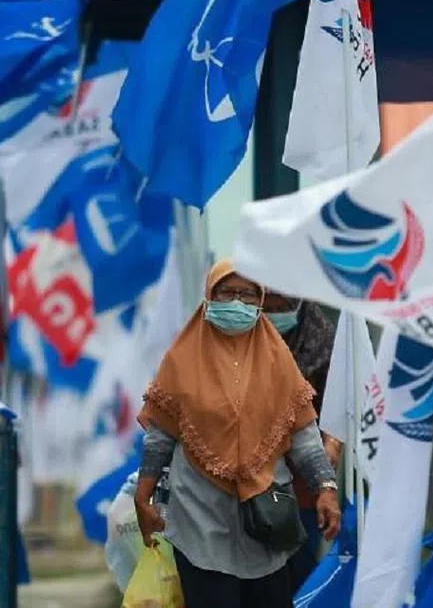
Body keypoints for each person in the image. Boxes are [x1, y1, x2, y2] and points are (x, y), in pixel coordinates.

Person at [133, 261, 341, 608]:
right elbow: (160, 436)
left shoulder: (279, 361)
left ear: (259, 301)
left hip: (265, 520)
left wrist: (326, 489)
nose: (236, 303)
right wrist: (144, 495)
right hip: (198, 518)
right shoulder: (182, 359)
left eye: (247, 295)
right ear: (209, 296)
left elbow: (304, 433)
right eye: (226, 293)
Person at [262, 290, 341, 591]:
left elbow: (339, 405)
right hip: (240, 484)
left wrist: (331, 447)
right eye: (265, 303)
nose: (272, 310)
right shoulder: (237, 341)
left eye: (281, 304)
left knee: (297, 573)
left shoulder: (322, 342)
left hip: (301, 483)